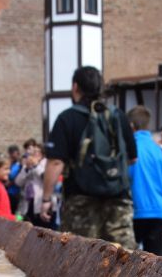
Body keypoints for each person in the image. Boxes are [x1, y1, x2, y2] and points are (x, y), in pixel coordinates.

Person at [40, 66, 137, 248]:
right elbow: (132, 159)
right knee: (125, 260)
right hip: (118, 201)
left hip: (81, 202)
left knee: (80, 257)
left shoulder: (66, 118)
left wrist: (46, 199)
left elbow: (55, 162)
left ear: (75, 87)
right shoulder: (117, 116)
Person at [127, 105, 162, 255]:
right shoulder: (161, 152)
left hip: (134, 213)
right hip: (159, 213)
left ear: (131, 126)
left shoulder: (128, 151)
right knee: (154, 268)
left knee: (127, 266)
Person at [15, 139, 48, 225]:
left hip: (40, 204)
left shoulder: (46, 164)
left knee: (41, 232)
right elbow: (18, 182)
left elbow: (46, 179)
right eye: (33, 152)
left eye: (37, 152)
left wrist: (36, 166)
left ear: (42, 154)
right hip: (26, 204)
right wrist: (26, 169)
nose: (33, 154)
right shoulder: (27, 165)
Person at [5, 144, 23, 213]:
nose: (11, 155)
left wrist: (10, 182)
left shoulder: (21, 164)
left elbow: (19, 175)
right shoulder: (11, 164)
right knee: (11, 212)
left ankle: (19, 222)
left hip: (18, 193)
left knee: (18, 213)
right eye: (10, 153)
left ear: (17, 153)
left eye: (13, 153)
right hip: (10, 193)